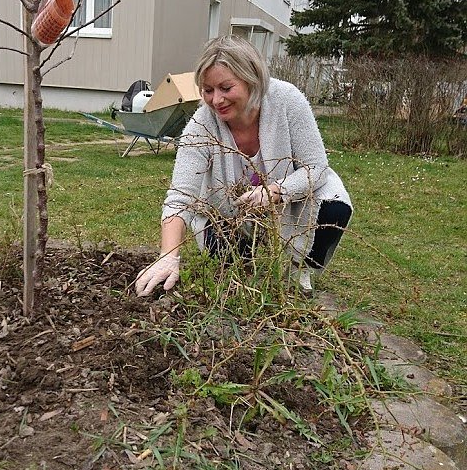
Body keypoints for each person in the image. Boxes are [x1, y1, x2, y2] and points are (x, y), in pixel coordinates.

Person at [135, 35, 352, 298]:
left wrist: (276, 192)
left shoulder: (287, 100)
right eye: (207, 90)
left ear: (252, 80)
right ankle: (242, 264)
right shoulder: (202, 124)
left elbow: (315, 167)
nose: (216, 100)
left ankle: (300, 269)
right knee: (231, 264)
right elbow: (181, 197)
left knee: (333, 206)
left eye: (226, 88)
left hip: (288, 195)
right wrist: (168, 256)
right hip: (229, 210)